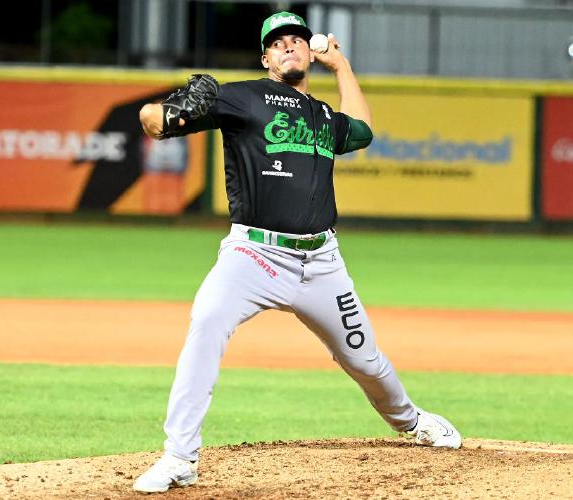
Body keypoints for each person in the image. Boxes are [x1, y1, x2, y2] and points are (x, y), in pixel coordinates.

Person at [133, 11, 462, 494]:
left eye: (298, 41)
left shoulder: (324, 117)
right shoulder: (241, 96)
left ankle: (411, 422)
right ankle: (180, 456)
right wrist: (169, 112)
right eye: (279, 42)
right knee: (206, 324)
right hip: (253, 256)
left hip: (322, 262)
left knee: (366, 361)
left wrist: (342, 67)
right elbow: (152, 122)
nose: (290, 47)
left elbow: (364, 131)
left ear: (310, 52)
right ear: (265, 57)